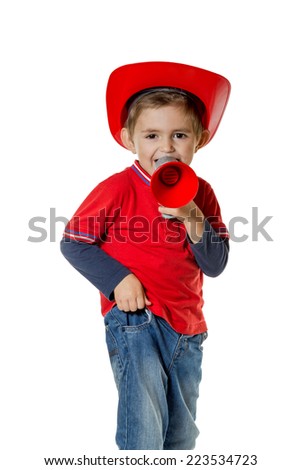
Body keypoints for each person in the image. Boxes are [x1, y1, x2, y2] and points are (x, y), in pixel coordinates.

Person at [60, 61, 231, 450]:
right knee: (144, 431)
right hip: (137, 320)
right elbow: (73, 241)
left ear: (199, 139)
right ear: (128, 139)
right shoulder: (119, 187)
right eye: (152, 135)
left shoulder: (201, 193)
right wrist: (119, 279)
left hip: (188, 328)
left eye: (180, 135)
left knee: (181, 436)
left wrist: (191, 215)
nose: (166, 147)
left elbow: (216, 264)